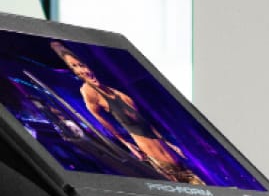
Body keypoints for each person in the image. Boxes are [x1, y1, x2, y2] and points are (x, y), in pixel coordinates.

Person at [50, 42, 202, 185]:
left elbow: (144, 123)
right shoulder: (88, 91)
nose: (84, 70)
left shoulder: (120, 94)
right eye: (75, 67)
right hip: (157, 160)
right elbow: (99, 120)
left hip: (172, 155)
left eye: (82, 65)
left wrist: (168, 142)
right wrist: (126, 143)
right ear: (74, 72)